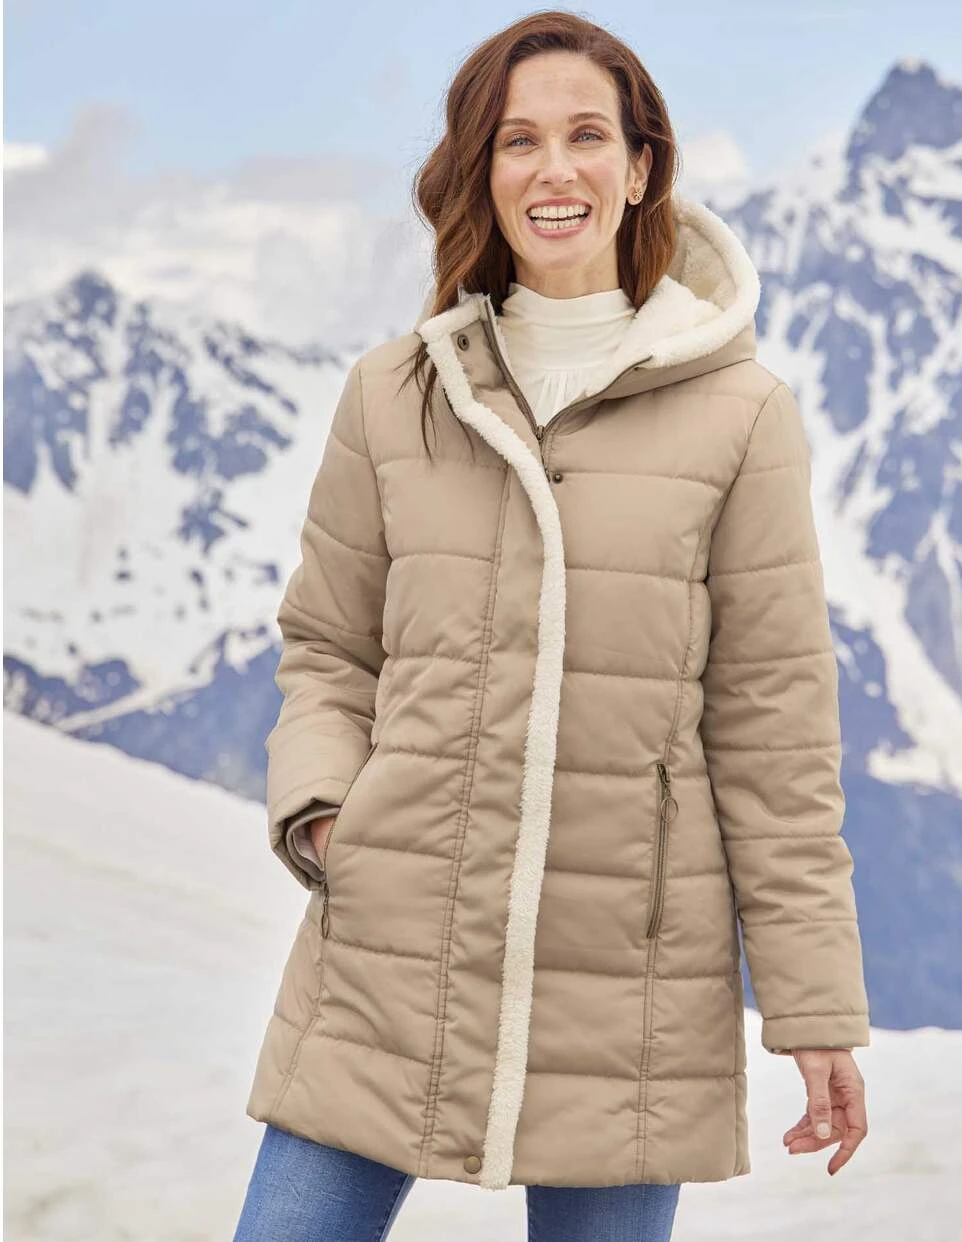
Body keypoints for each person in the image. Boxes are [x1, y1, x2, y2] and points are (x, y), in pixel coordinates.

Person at [232, 11, 870, 1241]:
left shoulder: (742, 416)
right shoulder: (394, 395)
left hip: (629, 991)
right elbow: (329, 649)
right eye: (518, 141)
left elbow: (775, 737)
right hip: (385, 957)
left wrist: (816, 1008)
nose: (553, 169)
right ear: (481, 173)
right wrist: (328, 819)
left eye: (587, 136)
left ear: (640, 169)